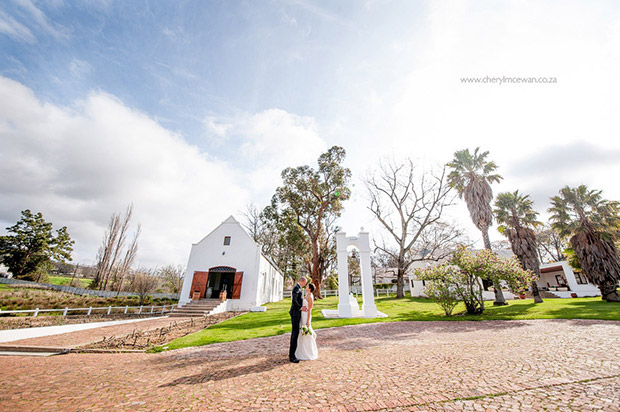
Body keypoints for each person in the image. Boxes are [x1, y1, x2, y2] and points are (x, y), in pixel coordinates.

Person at [295, 282, 318, 361]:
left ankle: (308, 352)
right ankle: (301, 351)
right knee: (301, 332)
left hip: (306, 316)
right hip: (302, 315)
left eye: (307, 286)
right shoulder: (306, 295)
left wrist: (308, 321)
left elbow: (310, 309)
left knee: (306, 332)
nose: (306, 286)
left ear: (310, 288)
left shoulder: (310, 297)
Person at [289, 276, 307, 363]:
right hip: (295, 313)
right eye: (305, 282)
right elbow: (294, 300)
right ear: (302, 281)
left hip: (297, 313)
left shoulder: (299, 288)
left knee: (296, 333)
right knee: (295, 334)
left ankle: (293, 353)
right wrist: (300, 308)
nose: (305, 284)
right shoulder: (296, 288)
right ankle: (292, 356)